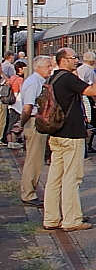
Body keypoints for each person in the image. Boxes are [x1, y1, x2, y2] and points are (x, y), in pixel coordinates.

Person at [42, 48, 96, 232]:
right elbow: (94, 91)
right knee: (72, 177)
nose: (76, 61)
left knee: (55, 178)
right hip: (71, 135)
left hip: (56, 134)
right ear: (63, 60)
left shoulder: (53, 78)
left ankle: (51, 217)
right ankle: (71, 219)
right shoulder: (68, 78)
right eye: (73, 58)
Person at [14, 55, 54, 207]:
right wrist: (21, 123)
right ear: (38, 67)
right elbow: (27, 107)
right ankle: (28, 193)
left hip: (37, 121)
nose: (50, 69)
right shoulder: (33, 82)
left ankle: (30, 190)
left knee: (36, 158)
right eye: (48, 66)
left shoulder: (39, 81)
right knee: (34, 159)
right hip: (33, 121)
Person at [4, 60, 25, 146]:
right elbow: (22, 90)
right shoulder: (20, 79)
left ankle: (10, 140)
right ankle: (12, 141)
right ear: (20, 69)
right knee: (15, 123)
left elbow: (7, 84)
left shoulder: (12, 77)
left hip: (11, 102)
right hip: (17, 102)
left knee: (11, 121)